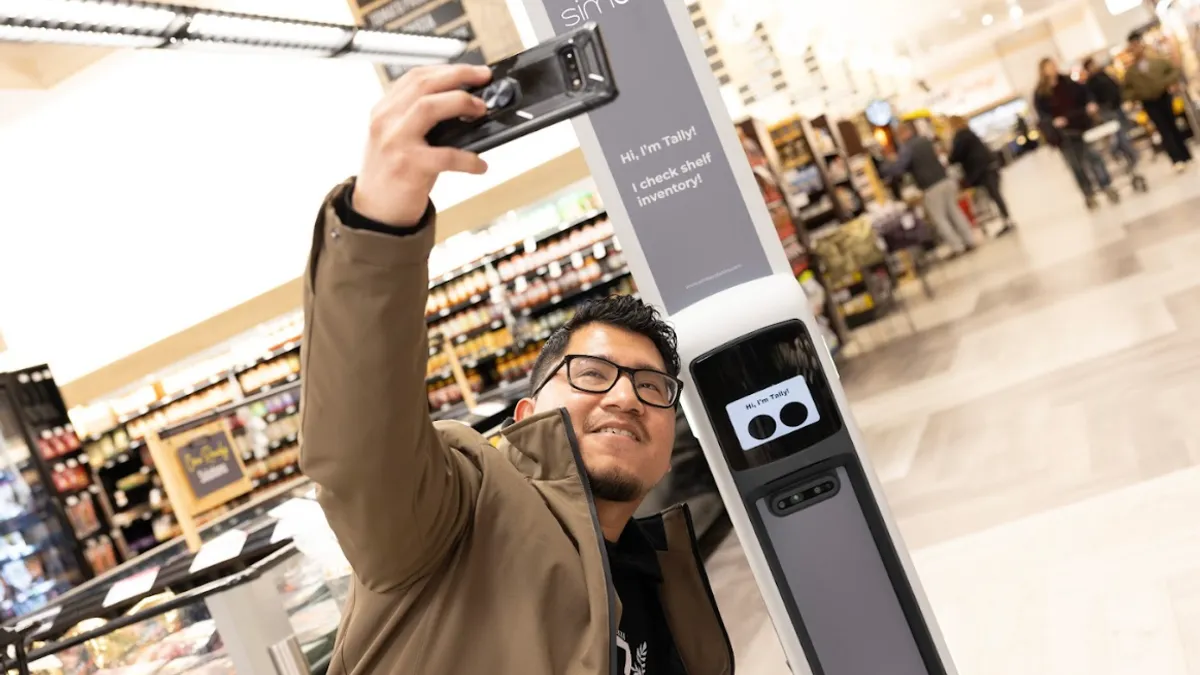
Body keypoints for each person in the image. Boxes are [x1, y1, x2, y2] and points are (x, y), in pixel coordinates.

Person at [299, 64, 731, 675]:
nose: (628, 398)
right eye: (591, 373)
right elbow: (360, 448)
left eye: (652, 386)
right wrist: (377, 225)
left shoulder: (658, 577)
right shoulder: (458, 511)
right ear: (526, 415)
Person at [1033, 57, 1118, 209]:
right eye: (1048, 67)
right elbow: (1042, 116)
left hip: (1081, 126)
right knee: (1076, 166)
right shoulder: (1040, 93)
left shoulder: (1067, 82)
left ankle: (1106, 185)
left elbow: (1084, 94)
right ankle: (1088, 194)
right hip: (1063, 135)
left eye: (1053, 65)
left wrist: (1090, 104)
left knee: (1094, 157)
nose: (1052, 68)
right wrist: (1053, 122)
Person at [883, 122, 977, 256]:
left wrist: (888, 165)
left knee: (940, 218)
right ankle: (969, 240)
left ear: (903, 134)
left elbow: (900, 168)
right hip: (945, 179)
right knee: (954, 211)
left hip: (931, 186)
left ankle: (957, 247)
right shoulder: (925, 140)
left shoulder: (907, 148)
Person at [1123, 30, 1191, 171]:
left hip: (1163, 96)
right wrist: (1136, 96)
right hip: (1148, 102)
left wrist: (1167, 83)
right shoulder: (1131, 72)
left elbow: (1174, 70)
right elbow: (1127, 90)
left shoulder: (1157, 62)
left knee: (1172, 125)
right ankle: (1176, 158)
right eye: (1133, 46)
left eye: (1137, 44)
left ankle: (1185, 154)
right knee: (1163, 129)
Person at [947, 115, 1015, 236]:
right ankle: (1006, 219)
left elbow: (954, 157)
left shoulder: (960, 136)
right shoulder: (970, 133)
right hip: (989, 165)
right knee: (996, 195)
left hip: (981, 170)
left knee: (993, 195)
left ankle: (1006, 220)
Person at [1082, 56, 1139, 169]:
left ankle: (1128, 154)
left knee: (1124, 131)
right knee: (1118, 134)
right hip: (1107, 110)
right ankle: (1129, 155)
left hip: (1116, 106)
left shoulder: (1103, 74)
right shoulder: (1091, 82)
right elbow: (1093, 98)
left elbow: (1114, 87)